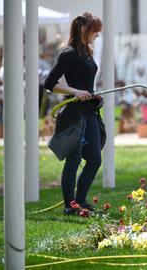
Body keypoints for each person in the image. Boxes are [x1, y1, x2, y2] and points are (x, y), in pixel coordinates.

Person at [44, 12, 105, 215]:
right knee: (74, 159)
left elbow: (87, 83)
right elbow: (49, 83)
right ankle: (70, 206)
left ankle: (80, 201)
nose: (97, 34)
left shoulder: (88, 52)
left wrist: (94, 96)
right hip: (74, 114)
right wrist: (75, 92)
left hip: (89, 111)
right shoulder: (68, 53)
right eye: (94, 30)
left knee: (95, 159)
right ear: (82, 29)